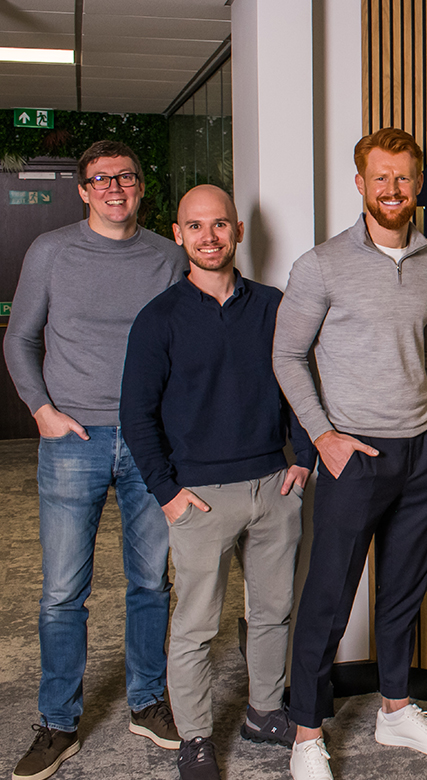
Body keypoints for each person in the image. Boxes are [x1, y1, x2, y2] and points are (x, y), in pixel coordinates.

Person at [273, 127, 427, 780]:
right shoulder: (321, 265)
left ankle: (396, 709)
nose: (392, 188)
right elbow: (286, 355)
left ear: (419, 184)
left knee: (403, 592)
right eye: (380, 177)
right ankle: (305, 735)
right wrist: (323, 436)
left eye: (403, 177)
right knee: (328, 598)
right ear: (360, 183)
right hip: (354, 457)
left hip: (423, 453)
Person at [119, 185, 317, 780]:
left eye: (220, 224)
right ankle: (196, 739)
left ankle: (264, 712)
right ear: (179, 234)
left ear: (237, 231)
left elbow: (299, 383)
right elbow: (137, 415)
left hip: (274, 485)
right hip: (199, 497)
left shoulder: (273, 306)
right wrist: (167, 493)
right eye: (196, 226)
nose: (209, 236)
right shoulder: (158, 319)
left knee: (273, 611)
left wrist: (303, 458)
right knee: (196, 627)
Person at [4, 140, 186, 779]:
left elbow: (186, 344)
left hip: (148, 442)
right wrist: (41, 410)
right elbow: (20, 337)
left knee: (150, 582)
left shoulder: (168, 257)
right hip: (71, 439)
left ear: (141, 187)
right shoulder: (51, 251)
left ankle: (148, 701)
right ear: (83, 191)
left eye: (125, 177)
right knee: (62, 591)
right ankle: (57, 722)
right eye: (101, 179)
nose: (114, 188)